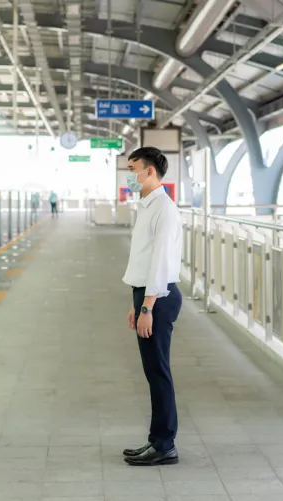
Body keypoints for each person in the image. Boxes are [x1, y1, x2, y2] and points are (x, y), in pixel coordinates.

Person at [121, 147, 183, 467]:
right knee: (153, 371)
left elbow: (160, 262)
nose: (129, 175)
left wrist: (147, 307)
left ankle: (164, 444)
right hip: (147, 294)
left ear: (149, 171)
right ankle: (155, 440)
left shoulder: (164, 208)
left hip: (157, 297)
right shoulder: (147, 205)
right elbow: (144, 259)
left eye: (133, 169)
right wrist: (138, 304)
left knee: (158, 372)